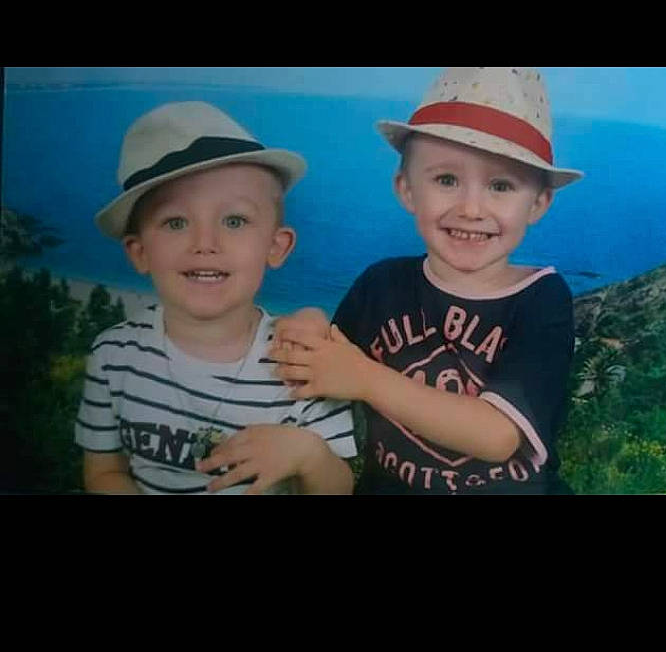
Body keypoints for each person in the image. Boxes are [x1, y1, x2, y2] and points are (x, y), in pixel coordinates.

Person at [272, 67, 584, 496]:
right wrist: (310, 322)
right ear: (406, 190)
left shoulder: (542, 300)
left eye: (501, 185)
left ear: (538, 203)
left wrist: (365, 378)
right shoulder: (381, 283)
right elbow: (333, 354)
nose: (471, 208)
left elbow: (497, 436)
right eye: (446, 180)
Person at [75, 102, 356, 495]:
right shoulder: (112, 355)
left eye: (234, 221)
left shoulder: (300, 361)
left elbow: (339, 488)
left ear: (276, 246)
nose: (205, 243)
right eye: (176, 222)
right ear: (139, 252)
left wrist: (309, 455)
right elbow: (104, 472)